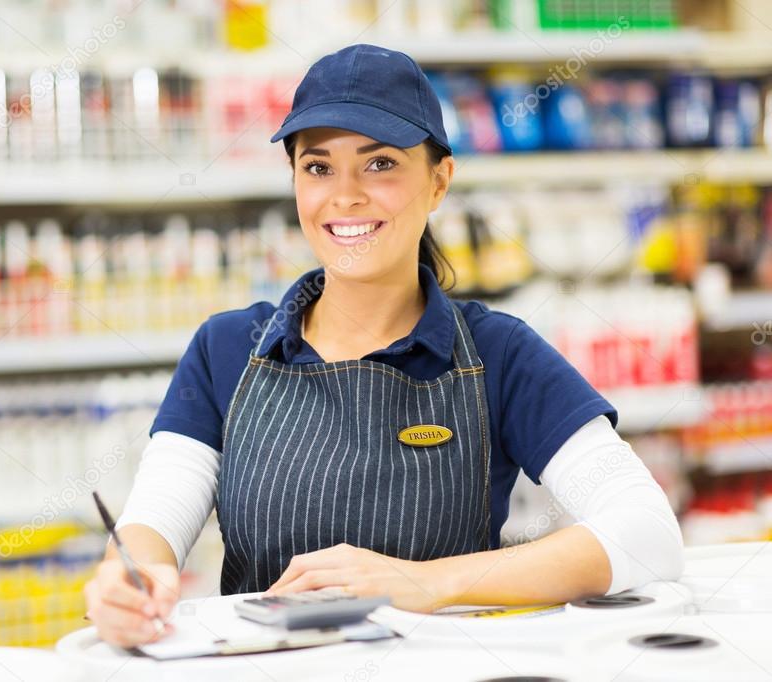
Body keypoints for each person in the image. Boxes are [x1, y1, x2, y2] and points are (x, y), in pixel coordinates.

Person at [82, 44, 684, 649]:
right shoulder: (227, 349)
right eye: (318, 168)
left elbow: (647, 532)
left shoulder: (497, 355)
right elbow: (152, 523)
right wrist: (130, 578)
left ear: (439, 181)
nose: (345, 197)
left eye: (380, 165)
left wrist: (425, 583)